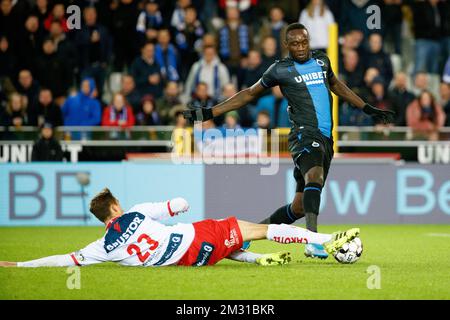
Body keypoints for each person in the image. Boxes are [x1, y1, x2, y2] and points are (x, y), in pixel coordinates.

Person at [184, 23, 394, 259]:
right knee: (315, 176)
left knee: (299, 206)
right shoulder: (280, 70)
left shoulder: (323, 61)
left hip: (326, 138)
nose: (301, 47)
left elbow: (336, 85)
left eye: (304, 42)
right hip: (304, 134)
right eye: (295, 44)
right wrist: (211, 112)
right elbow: (249, 93)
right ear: (287, 45)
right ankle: (313, 242)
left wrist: (366, 107)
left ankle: (244, 235)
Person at [0, 188, 359, 268]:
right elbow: (179, 205)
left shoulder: (103, 247)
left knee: (227, 241)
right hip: (197, 237)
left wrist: (18, 265)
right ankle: (327, 239)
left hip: (190, 261)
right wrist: (176, 205)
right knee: (257, 228)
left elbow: (65, 259)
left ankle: (256, 261)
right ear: (115, 208)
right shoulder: (137, 213)